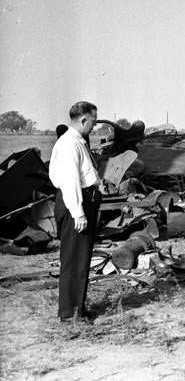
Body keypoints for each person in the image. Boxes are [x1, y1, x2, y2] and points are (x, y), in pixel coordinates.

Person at [48, 101, 101, 322]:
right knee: (73, 259)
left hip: (80, 202)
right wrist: (78, 212)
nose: (94, 126)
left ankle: (77, 308)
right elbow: (70, 181)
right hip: (74, 204)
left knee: (81, 259)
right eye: (94, 121)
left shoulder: (77, 141)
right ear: (83, 119)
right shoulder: (69, 143)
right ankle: (70, 314)